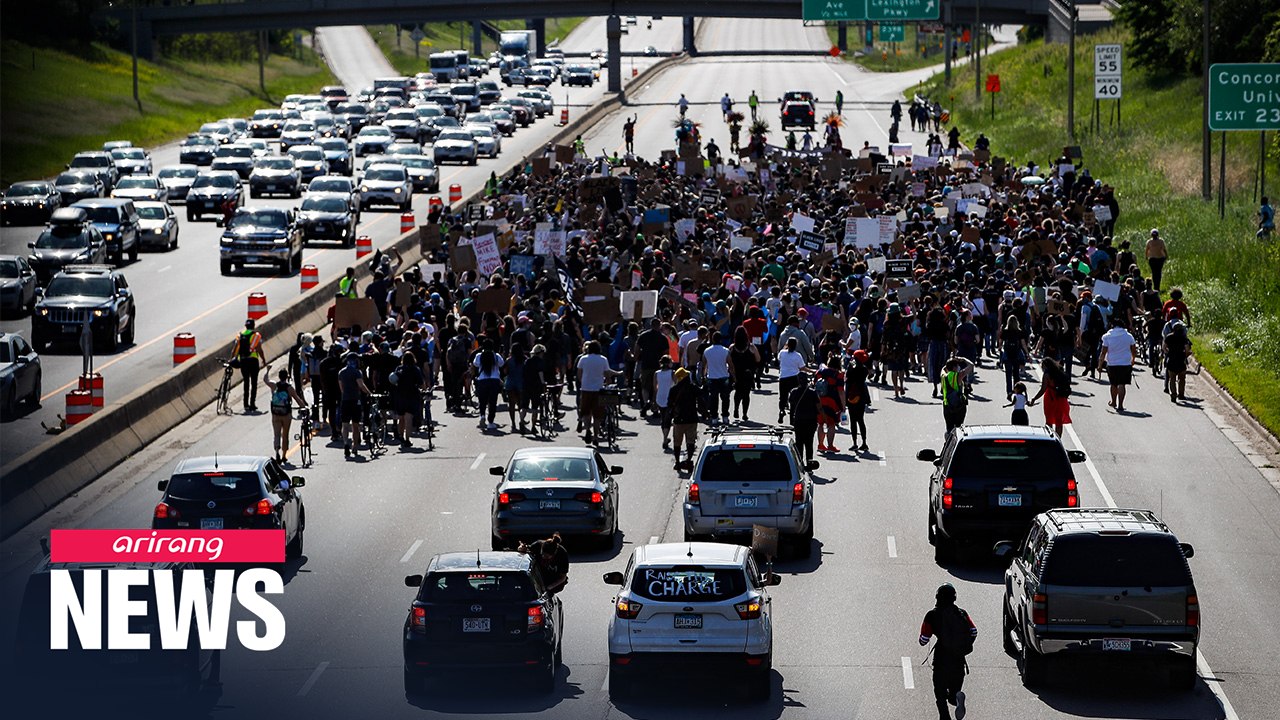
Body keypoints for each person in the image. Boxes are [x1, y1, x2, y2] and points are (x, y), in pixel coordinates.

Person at [919, 583, 977, 720]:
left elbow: (923, 640)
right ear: (954, 598)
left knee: (940, 694)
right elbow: (974, 631)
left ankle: (945, 717)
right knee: (953, 694)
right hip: (958, 660)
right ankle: (957, 698)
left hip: (941, 661)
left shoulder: (932, 615)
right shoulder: (962, 613)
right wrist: (962, 646)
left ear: (937, 597)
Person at [577, 340, 620, 443]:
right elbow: (606, 373)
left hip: (586, 389)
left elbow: (579, 374)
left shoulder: (583, 359)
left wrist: (583, 382)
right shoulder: (603, 359)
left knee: (586, 412)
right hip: (598, 389)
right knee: (597, 415)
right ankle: (596, 436)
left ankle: (587, 430)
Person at [262, 363, 307, 462]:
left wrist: (268, 370)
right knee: (285, 434)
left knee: (276, 434)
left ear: (279, 376)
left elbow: (265, 380)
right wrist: (304, 407)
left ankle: (277, 451)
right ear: (287, 377)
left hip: (275, 414)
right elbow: (297, 399)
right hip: (286, 414)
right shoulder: (289, 388)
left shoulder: (274, 386)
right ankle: (284, 455)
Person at [1099, 318, 1137, 412]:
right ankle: (1120, 405)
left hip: (1112, 363)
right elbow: (1133, 349)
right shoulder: (1128, 336)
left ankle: (1113, 402)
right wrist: (1133, 359)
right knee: (1122, 384)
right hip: (1125, 363)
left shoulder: (1107, 336)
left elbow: (1103, 352)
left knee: (1113, 384)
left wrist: (1100, 364)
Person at [338, 352, 371, 458]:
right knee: (355, 425)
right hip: (355, 400)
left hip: (345, 400)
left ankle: (346, 443)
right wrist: (369, 393)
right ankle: (355, 446)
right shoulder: (357, 372)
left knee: (345, 424)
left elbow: (341, 388)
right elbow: (361, 385)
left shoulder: (341, 372)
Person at [1029, 357, 1072, 436]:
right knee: (1059, 421)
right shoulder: (1059, 370)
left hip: (1051, 398)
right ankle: (1058, 439)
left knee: (1049, 419)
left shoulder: (1047, 375)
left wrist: (1034, 398)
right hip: (1061, 398)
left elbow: (1043, 389)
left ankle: (1050, 437)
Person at [389, 350, 425, 447]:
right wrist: (424, 390)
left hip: (400, 395)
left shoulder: (399, 369)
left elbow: (393, 380)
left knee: (401, 418)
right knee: (408, 418)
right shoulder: (415, 369)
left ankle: (401, 436)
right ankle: (407, 438)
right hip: (412, 395)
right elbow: (421, 383)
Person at [669, 367, 700, 470]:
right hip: (691, 419)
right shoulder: (693, 387)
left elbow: (669, 404)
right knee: (690, 441)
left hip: (678, 420)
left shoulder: (673, 390)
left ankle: (677, 462)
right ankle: (689, 460)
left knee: (677, 442)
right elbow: (701, 399)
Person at [230, 319, 264, 413]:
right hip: (253, 360)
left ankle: (245, 404)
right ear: (253, 326)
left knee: (246, 382)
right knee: (254, 382)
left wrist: (232, 359)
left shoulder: (240, 335)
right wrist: (263, 359)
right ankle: (252, 404)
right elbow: (259, 349)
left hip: (243, 361)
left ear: (245, 326)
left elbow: (234, 350)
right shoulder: (256, 335)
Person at [728, 326, 760, 421]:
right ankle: (745, 413)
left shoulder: (732, 348)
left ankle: (736, 408)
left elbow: (728, 361)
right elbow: (758, 359)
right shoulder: (751, 347)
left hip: (736, 373)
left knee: (737, 392)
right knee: (746, 394)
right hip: (748, 374)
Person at [788, 371, 820, 466]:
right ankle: (810, 463)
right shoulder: (812, 392)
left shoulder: (794, 392)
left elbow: (791, 405)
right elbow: (819, 407)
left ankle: (799, 463)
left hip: (798, 420)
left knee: (799, 443)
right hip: (811, 420)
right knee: (809, 442)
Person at [473, 338, 504, 431]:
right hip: (494, 380)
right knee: (492, 401)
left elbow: (476, 364)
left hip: (482, 380)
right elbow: (502, 364)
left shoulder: (479, 355)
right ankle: (491, 421)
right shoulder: (496, 355)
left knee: (482, 399)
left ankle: (482, 416)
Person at [815, 356, 845, 452]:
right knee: (831, 424)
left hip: (819, 401)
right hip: (831, 403)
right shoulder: (838, 375)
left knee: (820, 423)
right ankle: (830, 446)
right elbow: (841, 392)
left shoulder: (819, 372)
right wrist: (843, 406)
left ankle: (820, 444)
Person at [941, 357, 975, 435]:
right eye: (957, 366)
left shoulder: (944, 375)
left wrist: (949, 362)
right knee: (958, 428)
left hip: (947, 405)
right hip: (958, 406)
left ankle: (948, 443)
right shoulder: (958, 376)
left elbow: (943, 369)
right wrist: (963, 359)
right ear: (954, 367)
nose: (958, 367)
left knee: (949, 428)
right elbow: (971, 365)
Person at [777, 336, 807, 423]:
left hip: (783, 377)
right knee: (794, 397)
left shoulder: (782, 353)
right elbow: (802, 368)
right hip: (794, 377)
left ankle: (781, 410)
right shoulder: (798, 355)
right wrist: (811, 370)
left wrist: (785, 346)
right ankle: (792, 416)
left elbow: (779, 358)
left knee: (783, 397)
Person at [846, 349, 871, 453]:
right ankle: (864, 442)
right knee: (861, 420)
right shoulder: (864, 369)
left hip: (852, 395)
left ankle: (855, 443)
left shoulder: (852, 367)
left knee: (853, 420)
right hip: (862, 396)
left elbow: (847, 377)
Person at [1162, 320, 1191, 402]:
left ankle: (1173, 395)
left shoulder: (1169, 337)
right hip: (1181, 360)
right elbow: (1187, 349)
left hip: (1171, 360)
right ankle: (1181, 395)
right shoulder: (1183, 338)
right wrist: (1186, 355)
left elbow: (1164, 347)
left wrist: (1168, 352)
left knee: (1172, 379)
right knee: (1182, 379)